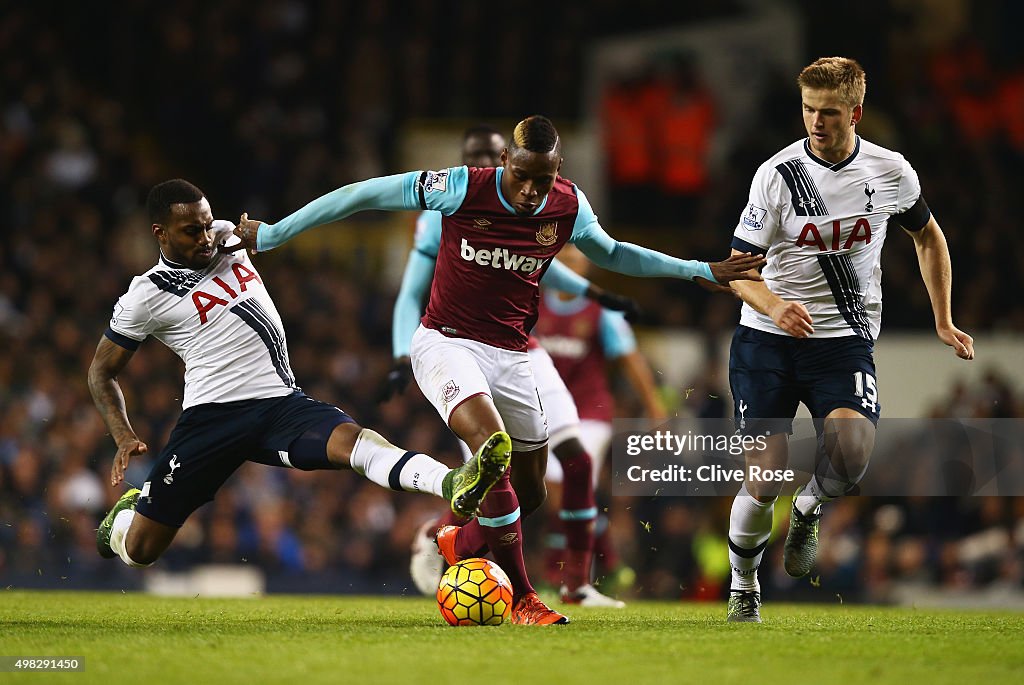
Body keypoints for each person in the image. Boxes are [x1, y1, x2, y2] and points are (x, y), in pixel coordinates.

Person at [230, 115, 766, 625]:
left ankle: (457, 544)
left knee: (530, 494)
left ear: (557, 171)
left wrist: (700, 270)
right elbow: (363, 193)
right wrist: (275, 234)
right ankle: (526, 597)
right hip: (447, 344)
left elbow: (614, 253)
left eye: (543, 179)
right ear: (505, 159)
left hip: (512, 356)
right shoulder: (461, 187)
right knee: (494, 452)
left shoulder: (567, 205)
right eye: (522, 176)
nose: (531, 191)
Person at [88, 179, 511, 572]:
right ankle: (126, 516)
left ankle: (452, 480)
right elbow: (101, 372)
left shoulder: (223, 236)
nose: (203, 239)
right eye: (189, 232)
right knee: (143, 551)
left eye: (204, 225)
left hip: (279, 403)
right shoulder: (145, 294)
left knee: (354, 442)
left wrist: (262, 233)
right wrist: (123, 434)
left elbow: (268, 235)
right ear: (160, 233)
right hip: (211, 417)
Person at [724, 57, 975, 623]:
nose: (816, 121)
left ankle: (810, 510)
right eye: (809, 109)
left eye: (829, 112)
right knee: (763, 476)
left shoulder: (891, 171)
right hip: (768, 337)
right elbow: (739, 270)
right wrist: (774, 305)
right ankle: (744, 589)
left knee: (853, 452)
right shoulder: (777, 174)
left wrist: (943, 318)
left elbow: (928, 237)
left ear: (855, 113)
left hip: (842, 337)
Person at [385, 125, 630, 608]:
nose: (484, 161)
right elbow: (412, 290)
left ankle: (575, 584)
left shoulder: (532, 197)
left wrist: (592, 292)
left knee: (570, 462)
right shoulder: (445, 208)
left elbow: (542, 262)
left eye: (490, 153)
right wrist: (401, 352)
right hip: (459, 348)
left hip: (521, 349)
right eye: (475, 155)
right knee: (493, 475)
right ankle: (483, 565)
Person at [532, 243, 668, 593]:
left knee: (567, 487)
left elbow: (629, 358)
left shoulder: (601, 308)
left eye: (576, 262)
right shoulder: (532, 303)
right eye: (563, 261)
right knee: (556, 495)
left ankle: (556, 575)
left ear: (586, 269)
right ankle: (609, 561)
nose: (570, 267)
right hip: (547, 413)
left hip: (591, 413)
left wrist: (653, 403)